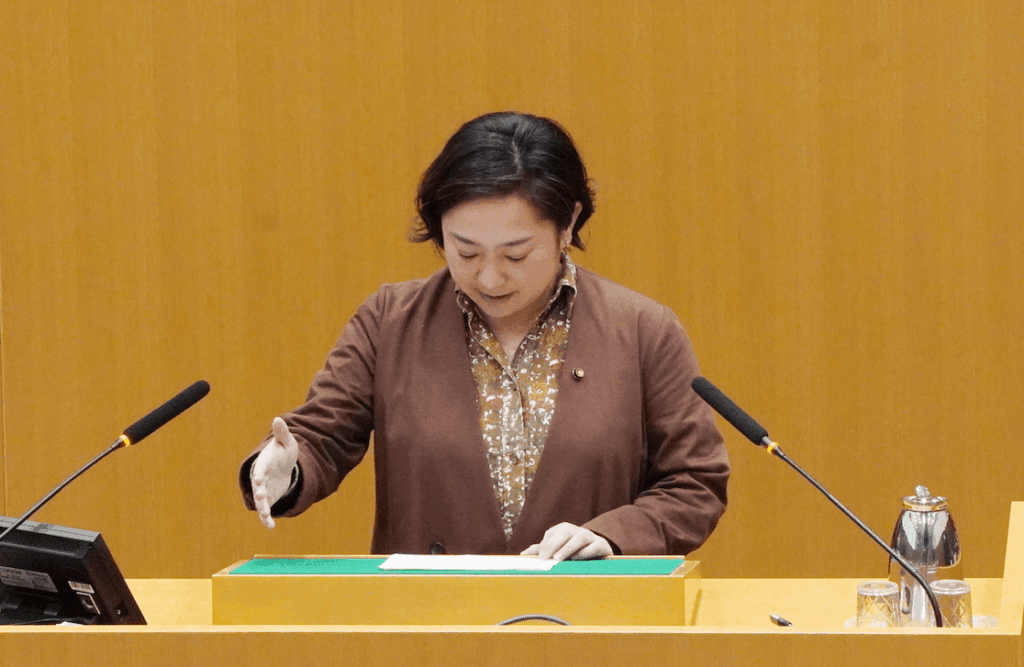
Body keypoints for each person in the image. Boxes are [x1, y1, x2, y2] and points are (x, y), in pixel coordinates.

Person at [239, 111, 730, 561]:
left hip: (588, 613)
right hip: (431, 616)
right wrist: (285, 469)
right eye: (466, 252)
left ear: (568, 224)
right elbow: (321, 437)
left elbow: (695, 483)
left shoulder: (643, 330)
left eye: (516, 254)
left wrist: (615, 535)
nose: (490, 278)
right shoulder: (390, 321)